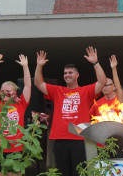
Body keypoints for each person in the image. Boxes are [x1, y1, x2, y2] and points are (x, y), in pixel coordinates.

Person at [34, 47, 106, 176]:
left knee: (80, 173)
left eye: (70, 72)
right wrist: (39, 66)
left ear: (77, 75)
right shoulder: (57, 91)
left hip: (79, 139)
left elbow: (102, 82)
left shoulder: (86, 91)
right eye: (65, 73)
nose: (67, 75)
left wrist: (95, 63)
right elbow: (38, 83)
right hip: (60, 139)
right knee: (62, 173)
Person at [0, 54, 31, 176]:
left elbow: (28, 86)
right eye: (2, 91)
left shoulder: (20, 104)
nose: (5, 93)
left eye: (8, 91)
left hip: (15, 148)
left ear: (15, 92)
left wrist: (25, 66)